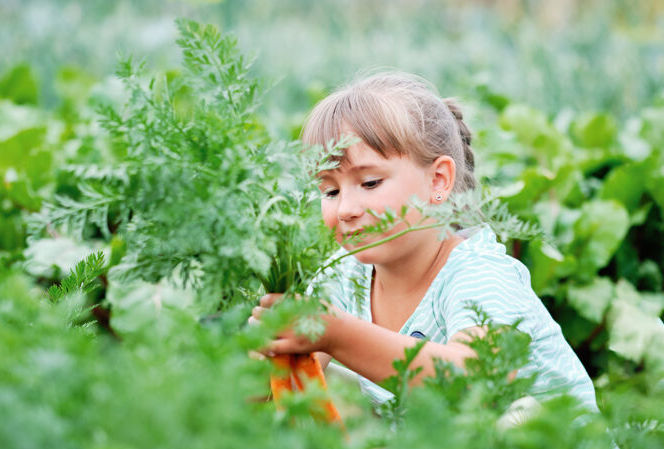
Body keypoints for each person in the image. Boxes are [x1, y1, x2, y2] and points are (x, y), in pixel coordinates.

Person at [250, 72, 598, 410]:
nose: (346, 209)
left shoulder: (481, 274)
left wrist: (338, 335)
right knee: (330, 390)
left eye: (370, 183)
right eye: (330, 190)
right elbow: (264, 398)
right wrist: (269, 352)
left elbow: (475, 382)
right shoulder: (341, 277)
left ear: (438, 180)